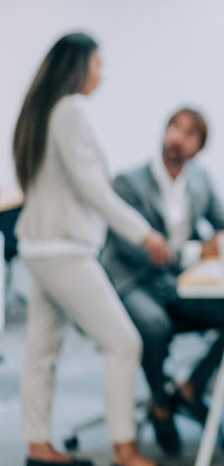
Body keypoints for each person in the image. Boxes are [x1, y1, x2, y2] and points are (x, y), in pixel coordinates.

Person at [13, 33, 167, 466]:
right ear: (79, 67)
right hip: (64, 250)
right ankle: (124, 449)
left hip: (39, 247)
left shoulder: (41, 111)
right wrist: (144, 233)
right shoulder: (71, 110)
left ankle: (38, 447)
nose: (102, 75)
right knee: (123, 342)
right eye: (98, 65)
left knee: (41, 350)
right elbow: (94, 189)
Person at [101, 108, 224, 456]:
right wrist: (196, 252)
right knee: (153, 325)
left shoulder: (201, 180)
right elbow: (134, 250)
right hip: (135, 282)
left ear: (199, 147)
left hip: (177, 284)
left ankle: (193, 386)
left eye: (190, 133)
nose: (178, 136)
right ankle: (161, 404)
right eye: (174, 127)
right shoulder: (128, 183)